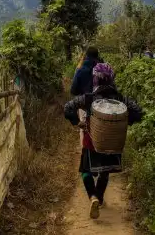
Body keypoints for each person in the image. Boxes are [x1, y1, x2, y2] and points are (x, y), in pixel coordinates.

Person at [64, 63, 143, 219]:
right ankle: (99, 197)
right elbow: (138, 112)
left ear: (95, 79)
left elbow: (67, 108)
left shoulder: (88, 98)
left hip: (92, 141)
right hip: (113, 142)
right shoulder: (120, 99)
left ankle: (93, 196)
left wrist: (77, 122)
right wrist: (125, 122)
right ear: (111, 79)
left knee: (86, 171)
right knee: (105, 171)